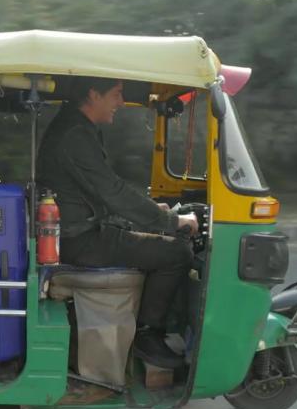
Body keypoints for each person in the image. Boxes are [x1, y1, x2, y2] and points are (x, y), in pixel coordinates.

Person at [36, 77, 199, 369]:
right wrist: (171, 221)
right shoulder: (74, 135)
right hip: (79, 241)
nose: (121, 103)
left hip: (80, 232)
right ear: (93, 94)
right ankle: (148, 335)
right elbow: (112, 191)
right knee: (177, 252)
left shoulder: (77, 128)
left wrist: (152, 212)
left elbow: (104, 191)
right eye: (117, 94)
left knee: (161, 238)